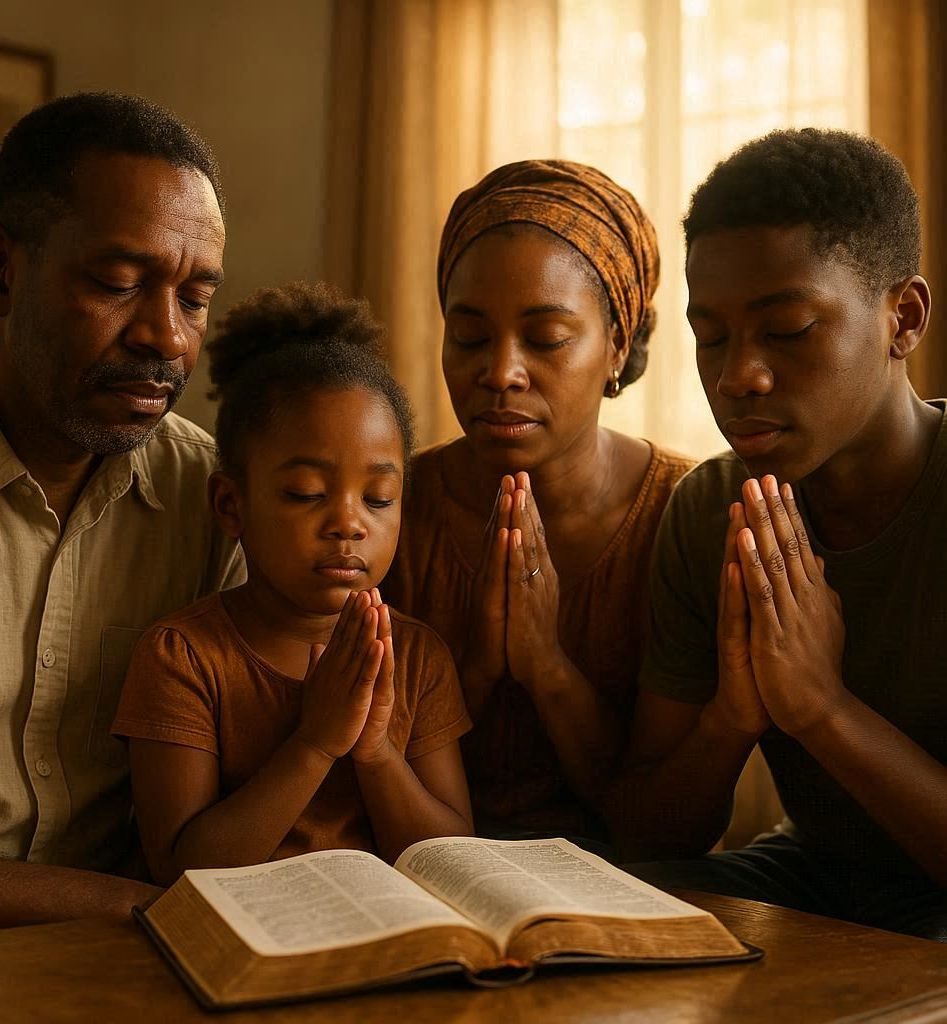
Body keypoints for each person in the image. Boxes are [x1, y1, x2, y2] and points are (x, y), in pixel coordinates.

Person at [0, 92, 243, 936]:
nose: (167, 338)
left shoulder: (213, 498)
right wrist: (132, 908)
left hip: (127, 970)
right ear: (0, 271)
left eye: (195, 298)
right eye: (119, 283)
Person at [615, 129, 947, 941]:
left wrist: (821, 709)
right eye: (711, 337)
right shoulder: (711, 511)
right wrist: (732, 718)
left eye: (790, 328)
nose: (739, 377)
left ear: (902, 318)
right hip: (814, 872)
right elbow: (652, 837)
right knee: (610, 908)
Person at [112, 283, 473, 883]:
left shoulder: (417, 658)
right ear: (231, 505)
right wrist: (316, 744)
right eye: (307, 494)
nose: (349, 523)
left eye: (378, 498)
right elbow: (180, 867)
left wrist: (375, 751)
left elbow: (456, 858)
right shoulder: (184, 658)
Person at [386, 160, 694, 840]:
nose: (500, 373)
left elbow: (673, 824)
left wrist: (546, 668)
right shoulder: (387, 505)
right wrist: (476, 668)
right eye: (469, 337)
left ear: (617, 346)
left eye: (547, 339)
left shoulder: (684, 513)